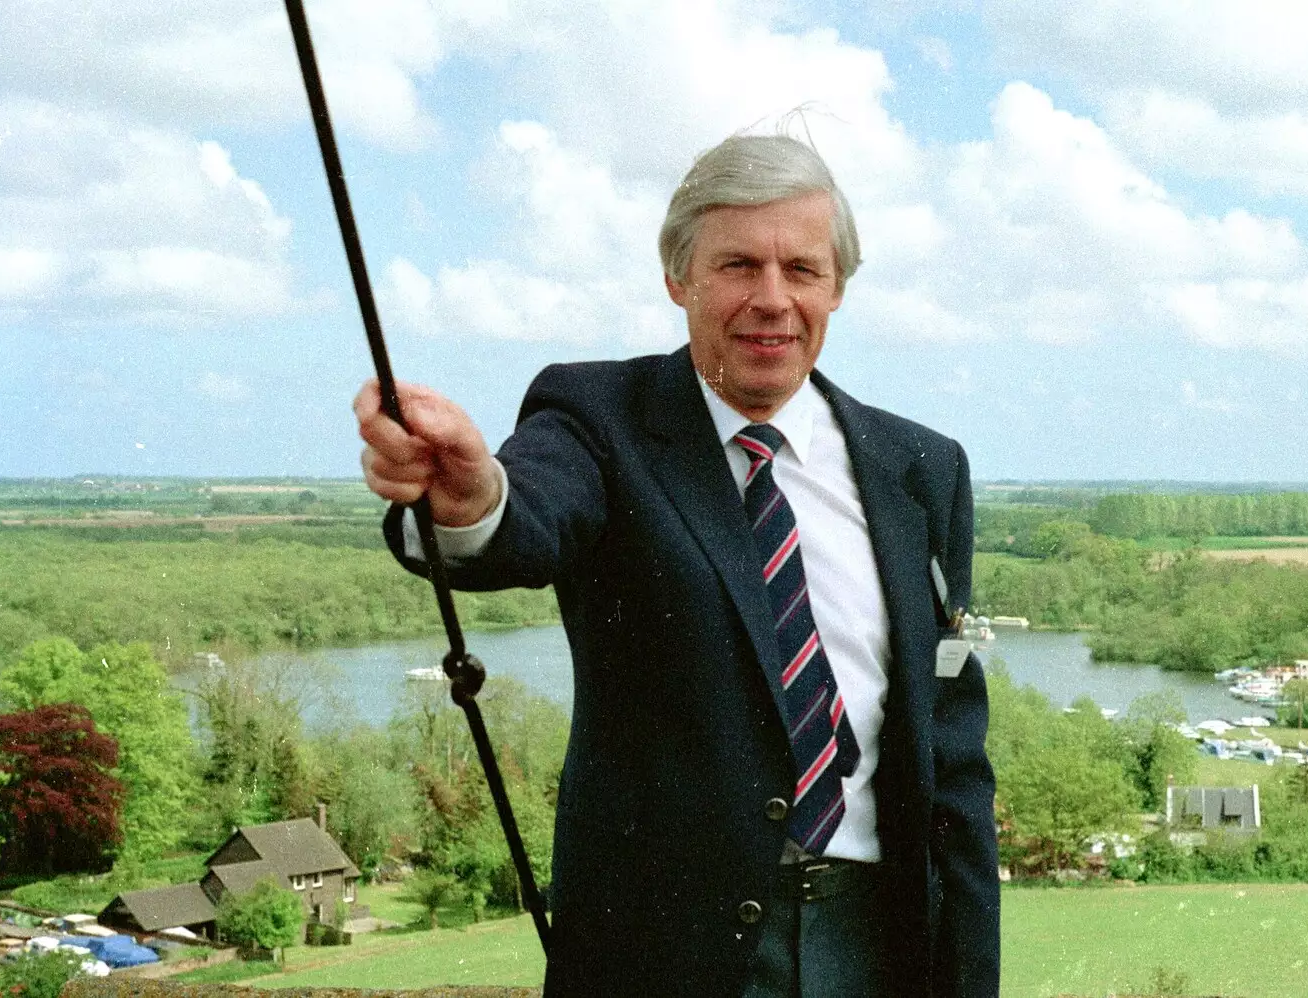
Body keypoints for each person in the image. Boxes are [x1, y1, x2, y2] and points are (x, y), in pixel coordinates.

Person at [356, 133, 999, 997]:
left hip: (876, 946)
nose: (772, 299)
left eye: (801, 270)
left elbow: (952, 758)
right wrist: (470, 500)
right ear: (678, 278)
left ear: (838, 288)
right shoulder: (599, 417)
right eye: (738, 265)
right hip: (664, 959)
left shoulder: (923, 468)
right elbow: (530, 511)